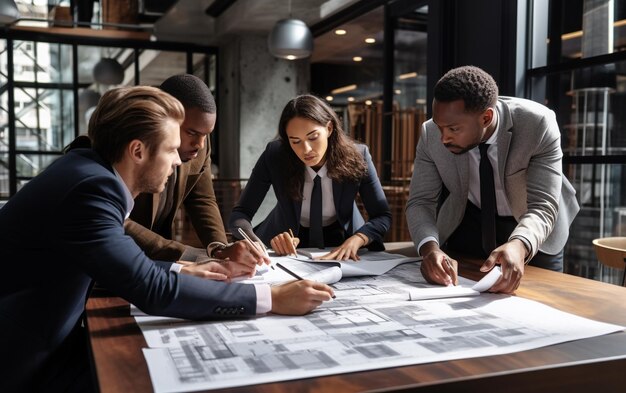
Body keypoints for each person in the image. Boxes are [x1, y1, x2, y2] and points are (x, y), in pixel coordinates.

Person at [0, 86, 334, 392]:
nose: (177, 160)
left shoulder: (87, 172)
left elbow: (115, 266)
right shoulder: (92, 191)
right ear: (138, 151)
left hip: (51, 340)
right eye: (172, 149)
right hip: (24, 361)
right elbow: (151, 290)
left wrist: (177, 269)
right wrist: (272, 298)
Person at [406, 65, 580, 294]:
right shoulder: (431, 135)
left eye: (453, 129)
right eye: (440, 127)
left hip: (533, 227)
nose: (444, 138)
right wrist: (429, 249)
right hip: (471, 220)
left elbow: (543, 206)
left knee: (541, 304)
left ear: (486, 117)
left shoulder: (537, 124)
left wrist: (520, 244)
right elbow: (420, 201)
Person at [125, 74, 265, 273]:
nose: (200, 144)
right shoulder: (127, 147)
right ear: (165, 116)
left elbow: (202, 199)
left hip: (159, 266)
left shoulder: (199, 143)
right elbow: (115, 221)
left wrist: (219, 249)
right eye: (191, 133)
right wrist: (194, 257)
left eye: (206, 134)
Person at [229, 94, 392, 261]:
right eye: (295, 141)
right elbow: (241, 214)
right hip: (284, 244)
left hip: (344, 240)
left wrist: (359, 238)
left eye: (313, 137)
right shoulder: (275, 155)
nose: (306, 149)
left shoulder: (358, 156)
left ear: (329, 129)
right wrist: (254, 243)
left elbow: (382, 216)